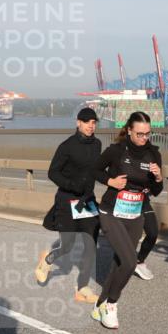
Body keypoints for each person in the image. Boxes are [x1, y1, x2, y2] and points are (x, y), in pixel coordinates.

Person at [91, 111, 163, 329]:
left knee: (120, 261)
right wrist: (110, 181)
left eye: (147, 134)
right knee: (131, 262)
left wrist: (158, 177)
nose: (143, 138)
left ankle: (100, 304)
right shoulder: (116, 150)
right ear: (129, 130)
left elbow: (157, 190)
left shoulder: (153, 154)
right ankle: (112, 305)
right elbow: (94, 169)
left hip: (135, 213)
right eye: (139, 134)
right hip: (111, 210)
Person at [35, 107, 102, 303]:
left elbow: (97, 170)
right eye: (87, 121)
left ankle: (82, 288)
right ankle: (48, 260)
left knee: (91, 245)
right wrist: (72, 185)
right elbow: (52, 172)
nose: (91, 125)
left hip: (87, 201)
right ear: (78, 123)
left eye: (94, 122)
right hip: (67, 200)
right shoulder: (67, 146)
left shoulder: (97, 144)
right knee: (68, 245)